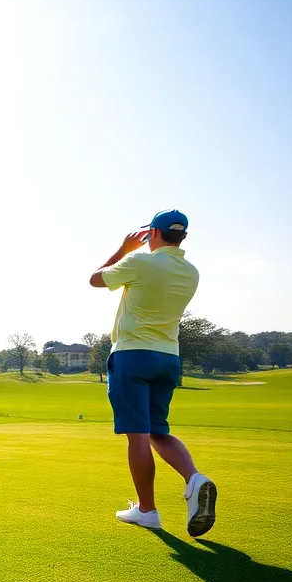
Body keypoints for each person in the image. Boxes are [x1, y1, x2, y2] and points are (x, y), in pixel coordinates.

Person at [90, 209, 216, 537]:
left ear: (153, 234)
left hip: (132, 356)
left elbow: (95, 278)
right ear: (182, 237)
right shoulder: (191, 272)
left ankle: (147, 511)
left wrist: (124, 249)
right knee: (159, 431)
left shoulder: (139, 262)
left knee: (138, 434)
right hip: (168, 359)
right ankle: (194, 479)